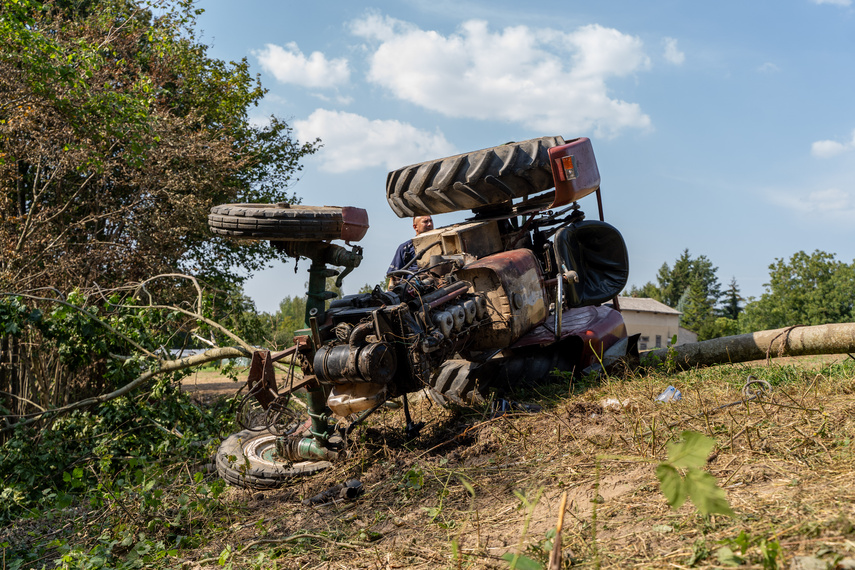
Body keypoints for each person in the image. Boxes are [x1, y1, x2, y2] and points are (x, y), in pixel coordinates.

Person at [386, 215, 434, 287]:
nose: (429, 224)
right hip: (413, 287)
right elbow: (394, 276)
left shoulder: (440, 243)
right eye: (425, 222)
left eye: (430, 221)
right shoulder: (405, 248)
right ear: (415, 227)